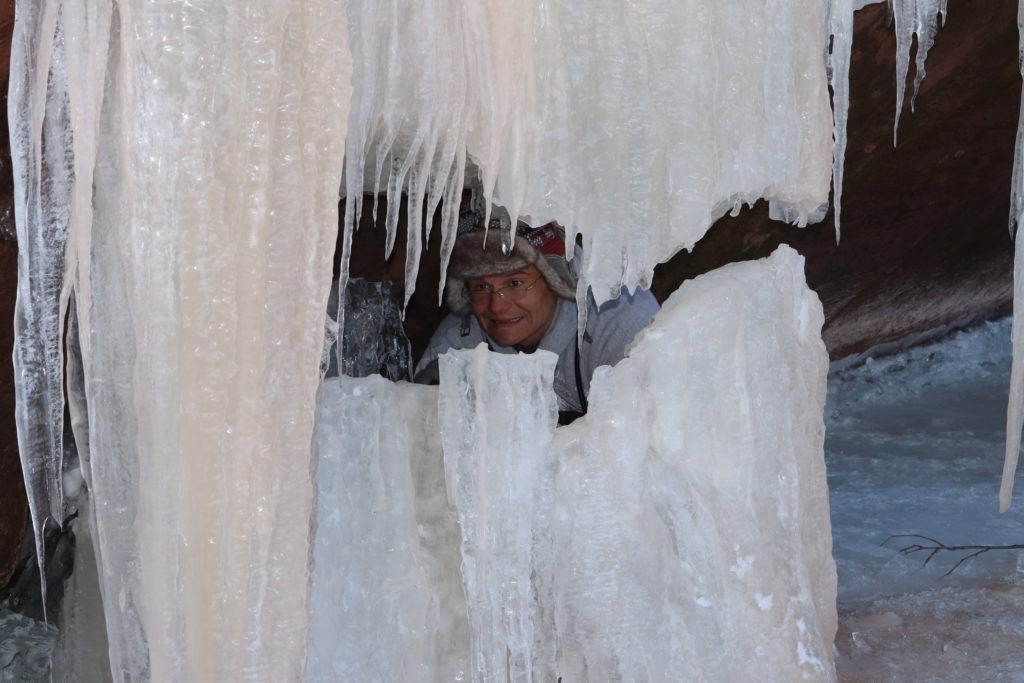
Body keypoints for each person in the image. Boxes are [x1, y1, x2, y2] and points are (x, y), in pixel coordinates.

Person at [414, 211, 660, 424]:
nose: (496, 305)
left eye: (515, 282)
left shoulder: (618, 322)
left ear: (557, 279)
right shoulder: (457, 344)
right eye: (480, 286)